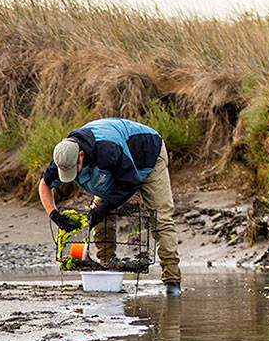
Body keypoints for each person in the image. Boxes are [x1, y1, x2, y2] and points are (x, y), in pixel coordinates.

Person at [38, 118, 182, 296]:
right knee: (98, 216)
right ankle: (107, 267)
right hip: (119, 166)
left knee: (161, 219)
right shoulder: (65, 155)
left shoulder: (108, 150)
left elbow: (130, 183)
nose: (73, 175)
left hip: (148, 154)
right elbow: (45, 185)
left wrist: (104, 207)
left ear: (81, 155)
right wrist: (54, 214)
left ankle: (172, 282)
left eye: (76, 170)